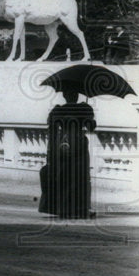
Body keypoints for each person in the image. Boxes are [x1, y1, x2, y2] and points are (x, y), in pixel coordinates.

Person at [39, 89, 96, 219]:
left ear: (64, 95)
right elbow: (91, 127)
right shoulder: (84, 108)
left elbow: (51, 131)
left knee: (64, 176)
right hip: (79, 144)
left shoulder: (58, 110)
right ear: (77, 95)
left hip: (62, 145)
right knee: (81, 177)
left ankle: (63, 208)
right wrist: (88, 115)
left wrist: (51, 152)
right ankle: (82, 208)